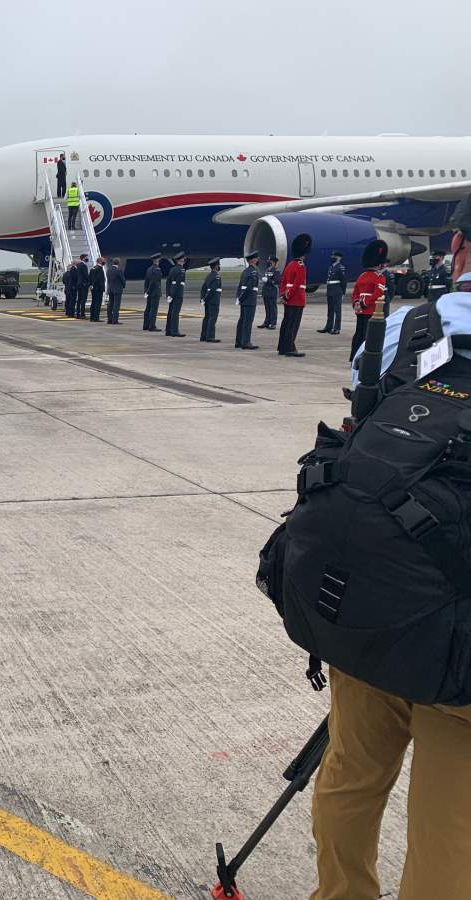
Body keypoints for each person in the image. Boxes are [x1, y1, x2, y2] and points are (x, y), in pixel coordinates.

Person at [317, 275, 471, 900]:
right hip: (460, 643)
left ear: (460, 250)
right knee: (451, 832)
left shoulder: (406, 329)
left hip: (378, 601)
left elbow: (365, 417)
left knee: (351, 775)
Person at [349, 241, 387, 362]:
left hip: (368, 309)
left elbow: (378, 294)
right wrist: (356, 302)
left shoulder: (375, 276)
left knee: (364, 335)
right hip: (363, 309)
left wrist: (362, 303)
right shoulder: (374, 276)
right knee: (359, 335)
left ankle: (360, 358)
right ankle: (355, 357)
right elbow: (355, 292)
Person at [278, 234, 310, 357]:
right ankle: (290, 348)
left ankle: (282, 347)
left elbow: (283, 282)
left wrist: (283, 295)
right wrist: (288, 296)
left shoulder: (290, 265)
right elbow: (297, 284)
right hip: (296, 299)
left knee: (286, 323)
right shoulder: (300, 266)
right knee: (293, 325)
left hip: (288, 298)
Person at [234, 251, 261, 350]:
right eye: (256, 258)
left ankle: (239, 341)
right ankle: (246, 342)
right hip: (249, 300)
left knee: (242, 320)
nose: (258, 260)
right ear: (253, 260)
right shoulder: (253, 272)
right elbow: (249, 288)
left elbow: (240, 286)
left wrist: (239, 298)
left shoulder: (245, 271)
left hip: (244, 299)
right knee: (247, 322)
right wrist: (241, 298)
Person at [319, 251, 347, 334]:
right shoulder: (331, 267)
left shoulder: (340, 267)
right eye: (332, 255)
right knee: (330, 310)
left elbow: (344, 281)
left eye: (334, 256)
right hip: (330, 290)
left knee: (337, 310)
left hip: (337, 291)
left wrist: (343, 293)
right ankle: (328, 327)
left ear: (339, 258)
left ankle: (337, 328)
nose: (332, 257)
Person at [199, 258, 222, 342]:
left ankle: (203, 336)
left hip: (208, 301)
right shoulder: (216, 277)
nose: (219, 266)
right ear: (216, 266)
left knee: (207, 318)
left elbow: (203, 289)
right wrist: (206, 299)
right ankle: (210, 337)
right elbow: (212, 290)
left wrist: (203, 299)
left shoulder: (209, 276)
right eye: (218, 265)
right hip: (213, 301)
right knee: (212, 319)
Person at [164, 251, 187, 336]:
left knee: (171, 312)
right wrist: (173, 295)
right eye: (183, 259)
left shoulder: (172, 269)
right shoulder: (181, 270)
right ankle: (174, 331)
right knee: (175, 313)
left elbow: (168, 283)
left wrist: (168, 295)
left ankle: (168, 330)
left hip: (171, 294)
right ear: (180, 260)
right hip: (177, 294)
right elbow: (177, 284)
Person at [142, 252, 163, 331]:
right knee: (153, 310)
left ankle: (146, 325)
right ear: (157, 260)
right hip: (154, 292)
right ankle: (152, 326)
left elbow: (146, 281)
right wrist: (148, 291)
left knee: (148, 309)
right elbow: (153, 282)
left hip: (149, 292)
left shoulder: (149, 269)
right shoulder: (157, 269)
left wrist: (146, 291)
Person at [259, 255, 280, 330]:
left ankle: (273, 323)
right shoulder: (267, 270)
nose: (268, 262)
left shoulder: (276, 271)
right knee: (267, 308)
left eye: (270, 261)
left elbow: (277, 281)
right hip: (266, 291)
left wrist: (268, 280)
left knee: (273, 308)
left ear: (274, 262)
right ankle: (267, 322)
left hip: (272, 291)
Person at [105, 257, 126, 324]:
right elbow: (123, 280)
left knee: (110, 305)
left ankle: (109, 319)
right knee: (116, 305)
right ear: (118, 263)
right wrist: (123, 286)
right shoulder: (119, 270)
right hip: (117, 289)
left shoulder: (108, 270)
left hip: (110, 289)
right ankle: (115, 320)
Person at [88, 256, 106, 321]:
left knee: (93, 302)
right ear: (100, 261)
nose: (104, 262)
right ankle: (96, 318)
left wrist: (91, 285)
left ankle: (92, 317)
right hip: (98, 289)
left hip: (93, 288)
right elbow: (98, 279)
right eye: (103, 260)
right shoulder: (99, 268)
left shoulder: (93, 268)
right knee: (98, 303)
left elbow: (89, 278)